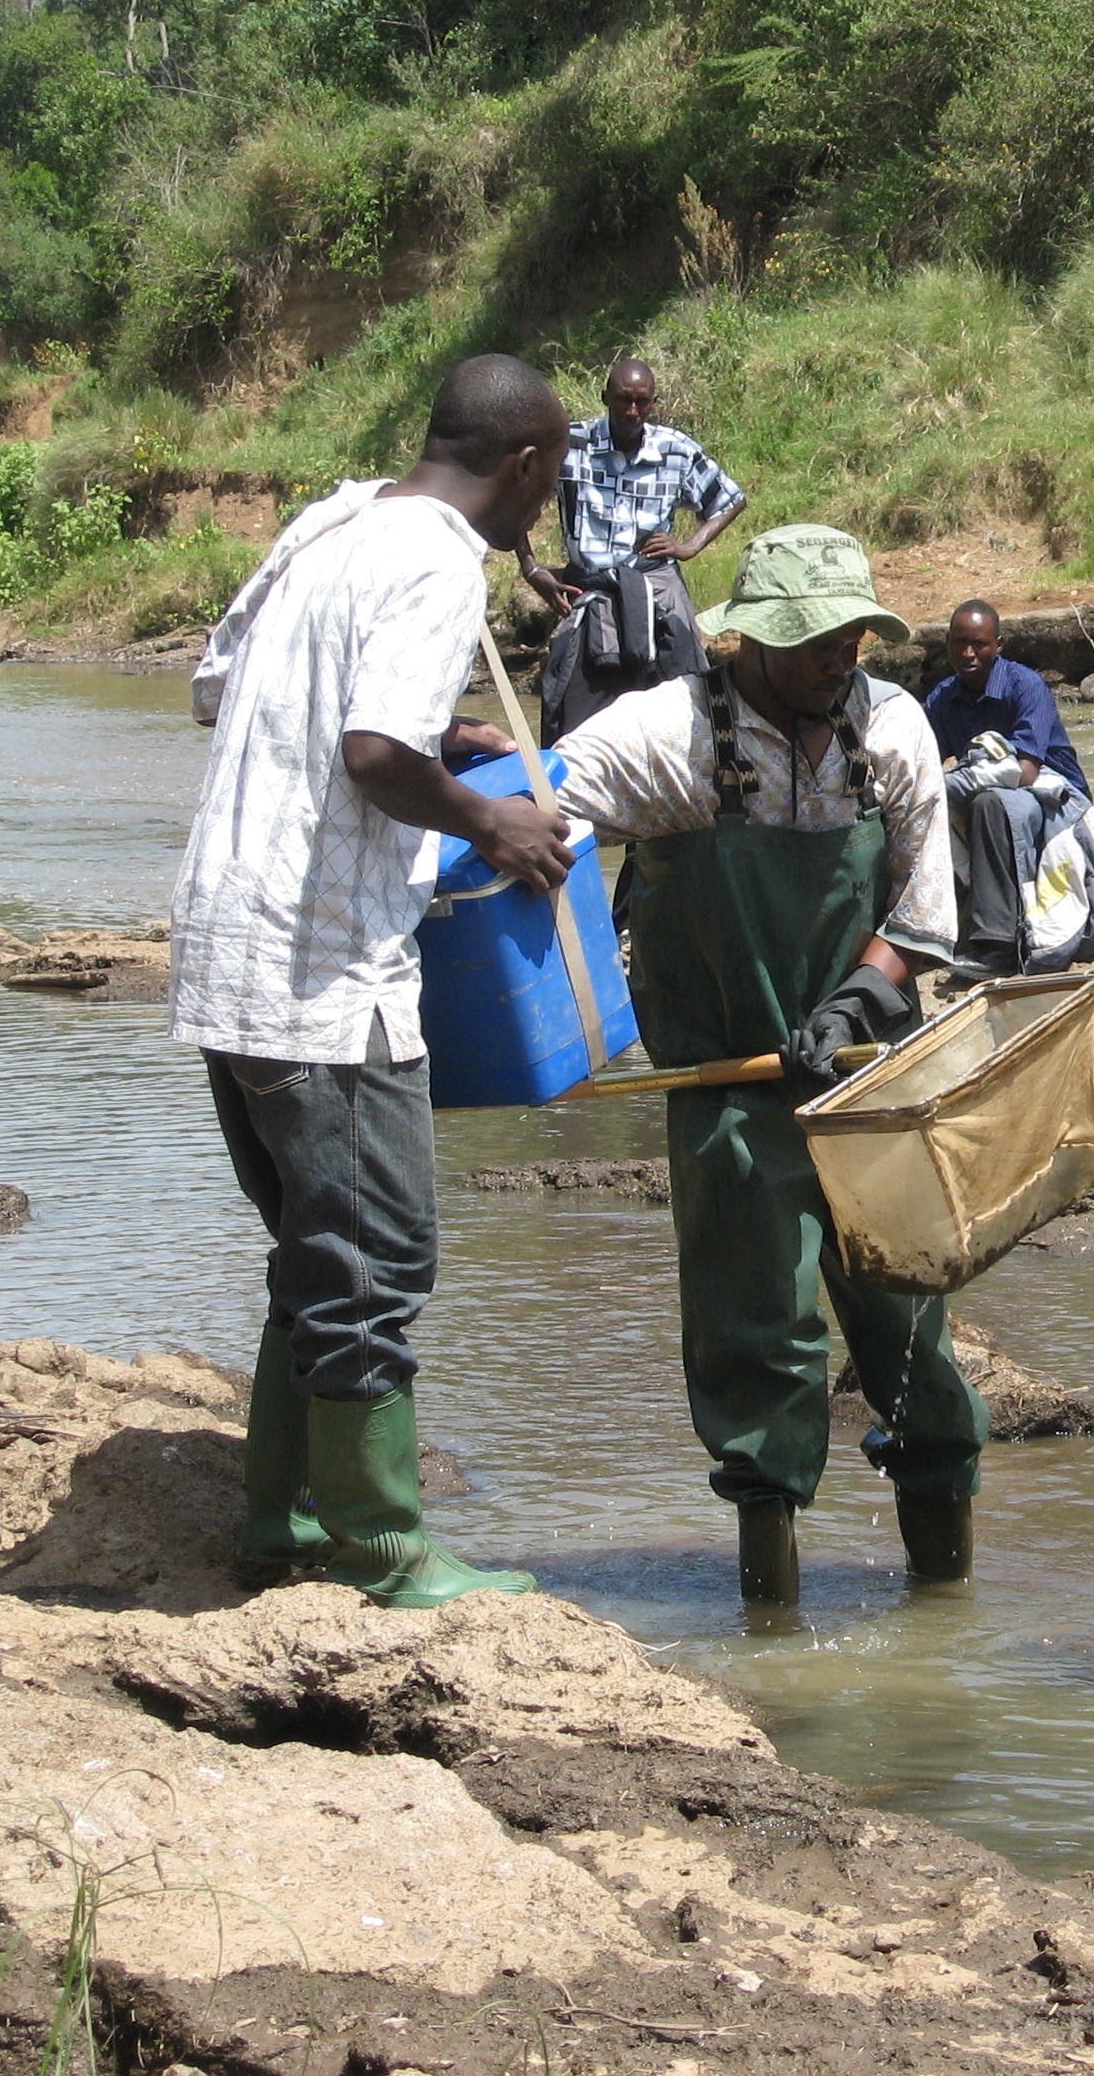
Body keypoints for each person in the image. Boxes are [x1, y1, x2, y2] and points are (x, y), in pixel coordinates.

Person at [172, 353, 576, 1608]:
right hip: (322, 965)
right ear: (523, 465)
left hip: (225, 943)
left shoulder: (332, 522)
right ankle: (380, 1545)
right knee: (376, 1260)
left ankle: (282, 1516)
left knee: (316, 1245)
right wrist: (489, 817)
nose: (545, 510)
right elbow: (369, 754)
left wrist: (441, 734)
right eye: (552, 483)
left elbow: (221, 687)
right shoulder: (441, 562)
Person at [551, 526, 984, 1610]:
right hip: (729, 1095)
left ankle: (943, 1602)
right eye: (814, 644)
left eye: (852, 639)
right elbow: (538, 813)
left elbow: (924, 913)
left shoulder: (891, 727)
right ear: (748, 640)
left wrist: (855, 997)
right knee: (760, 1352)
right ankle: (772, 1610)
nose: (840, 660)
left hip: (870, 1085)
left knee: (914, 1340)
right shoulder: (665, 736)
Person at [518, 357, 750, 743]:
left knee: (688, 713)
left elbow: (730, 499)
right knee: (574, 726)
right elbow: (516, 494)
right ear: (605, 398)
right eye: (624, 399)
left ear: (653, 403)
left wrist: (690, 545)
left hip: (655, 590)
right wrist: (531, 568)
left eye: (642, 402)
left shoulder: (675, 450)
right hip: (591, 593)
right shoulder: (570, 446)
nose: (632, 411)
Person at [921, 600, 1094, 981]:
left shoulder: (1026, 686)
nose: (968, 654)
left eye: (979, 644)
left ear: (999, 645)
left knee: (988, 804)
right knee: (919, 805)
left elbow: (1024, 773)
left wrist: (946, 785)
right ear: (947, 644)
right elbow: (921, 763)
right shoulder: (944, 698)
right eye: (959, 643)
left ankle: (997, 945)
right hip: (989, 790)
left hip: (1052, 795)